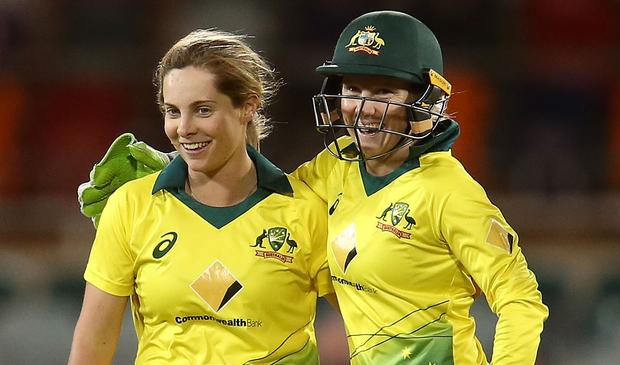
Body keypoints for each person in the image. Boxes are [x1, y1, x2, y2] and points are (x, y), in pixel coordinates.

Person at [78, 11, 548, 365]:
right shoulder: (332, 173)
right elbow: (255, 193)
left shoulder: (451, 193)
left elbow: (521, 302)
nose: (363, 110)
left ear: (423, 100)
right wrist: (163, 182)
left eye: (383, 93)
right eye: (353, 91)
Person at [68, 29, 336, 365]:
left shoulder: (307, 209)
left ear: (248, 107)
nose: (184, 128)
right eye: (173, 111)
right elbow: (93, 342)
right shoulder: (131, 205)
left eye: (203, 110)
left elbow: (365, 325)